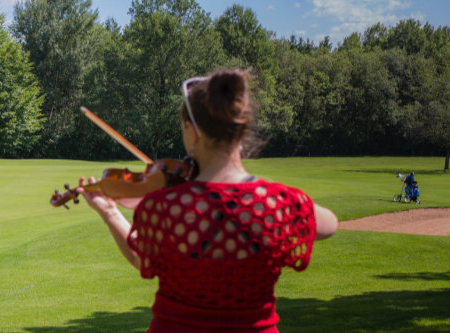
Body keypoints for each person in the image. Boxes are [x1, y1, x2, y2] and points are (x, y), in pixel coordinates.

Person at [76, 69, 338, 332]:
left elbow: (142, 260)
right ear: (241, 131)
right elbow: (329, 224)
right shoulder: (276, 203)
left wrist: (109, 211)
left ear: (192, 133)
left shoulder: (163, 207)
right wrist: (276, 196)